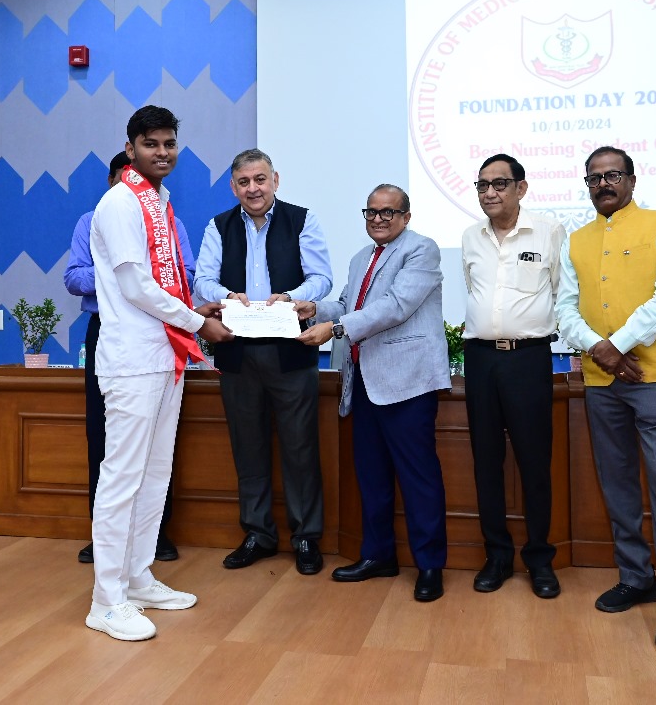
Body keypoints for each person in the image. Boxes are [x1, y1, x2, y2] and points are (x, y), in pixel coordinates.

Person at [85, 105, 233, 642]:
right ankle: (106, 601)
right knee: (122, 477)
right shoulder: (120, 202)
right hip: (132, 360)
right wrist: (198, 322)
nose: (162, 152)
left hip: (166, 356)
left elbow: (162, 285)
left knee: (155, 474)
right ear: (131, 149)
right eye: (151, 144)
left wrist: (197, 310)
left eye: (169, 143)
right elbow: (135, 287)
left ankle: (138, 578)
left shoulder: (159, 200)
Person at [555, 145, 656, 650]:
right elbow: (565, 309)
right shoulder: (576, 240)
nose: (603, 184)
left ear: (632, 180)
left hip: (652, 377)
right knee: (616, 484)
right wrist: (601, 350)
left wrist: (618, 344)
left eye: (612, 175)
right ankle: (636, 578)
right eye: (594, 178)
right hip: (601, 380)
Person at [295, 185, 451, 602]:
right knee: (372, 475)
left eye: (388, 212)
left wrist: (336, 328)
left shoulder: (422, 250)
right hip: (364, 381)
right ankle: (378, 555)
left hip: (408, 382)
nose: (378, 219)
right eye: (371, 212)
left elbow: (396, 306)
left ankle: (430, 565)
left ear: (406, 216)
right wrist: (314, 309)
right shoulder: (361, 257)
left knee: (418, 477)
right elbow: (349, 303)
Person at [194, 148, 333, 575]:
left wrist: (290, 296)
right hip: (237, 352)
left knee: (300, 448)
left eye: (260, 179)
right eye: (244, 182)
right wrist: (225, 296)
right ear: (233, 187)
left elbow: (322, 277)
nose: (253, 189)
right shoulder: (218, 226)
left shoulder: (302, 219)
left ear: (275, 179)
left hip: (290, 351)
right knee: (248, 447)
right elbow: (202, 279)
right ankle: (258, 533)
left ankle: (306, 536)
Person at [65, 149, 195, 565]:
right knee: (105, 437)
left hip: (162, 329)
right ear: (113, 182)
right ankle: (104, 538)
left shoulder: (170, 221)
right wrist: (118, 273)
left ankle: (154, 537)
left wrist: (144, 277)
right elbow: (74, 277)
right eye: (124, 176)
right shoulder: (93, 219)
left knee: (157, 442)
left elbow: (187, 275)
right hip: (111, 330)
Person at [461, 152, 566, 599]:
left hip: (528, 359)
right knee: (486, 461)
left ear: (521, 188)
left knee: (534, 462)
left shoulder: (549, 231)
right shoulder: (470, 237)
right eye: (482, 185)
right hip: (481, 359)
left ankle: (539, 559)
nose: (489, 193)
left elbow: (563, 292)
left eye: (499, 184)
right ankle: (497, 557)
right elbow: (474, 292)